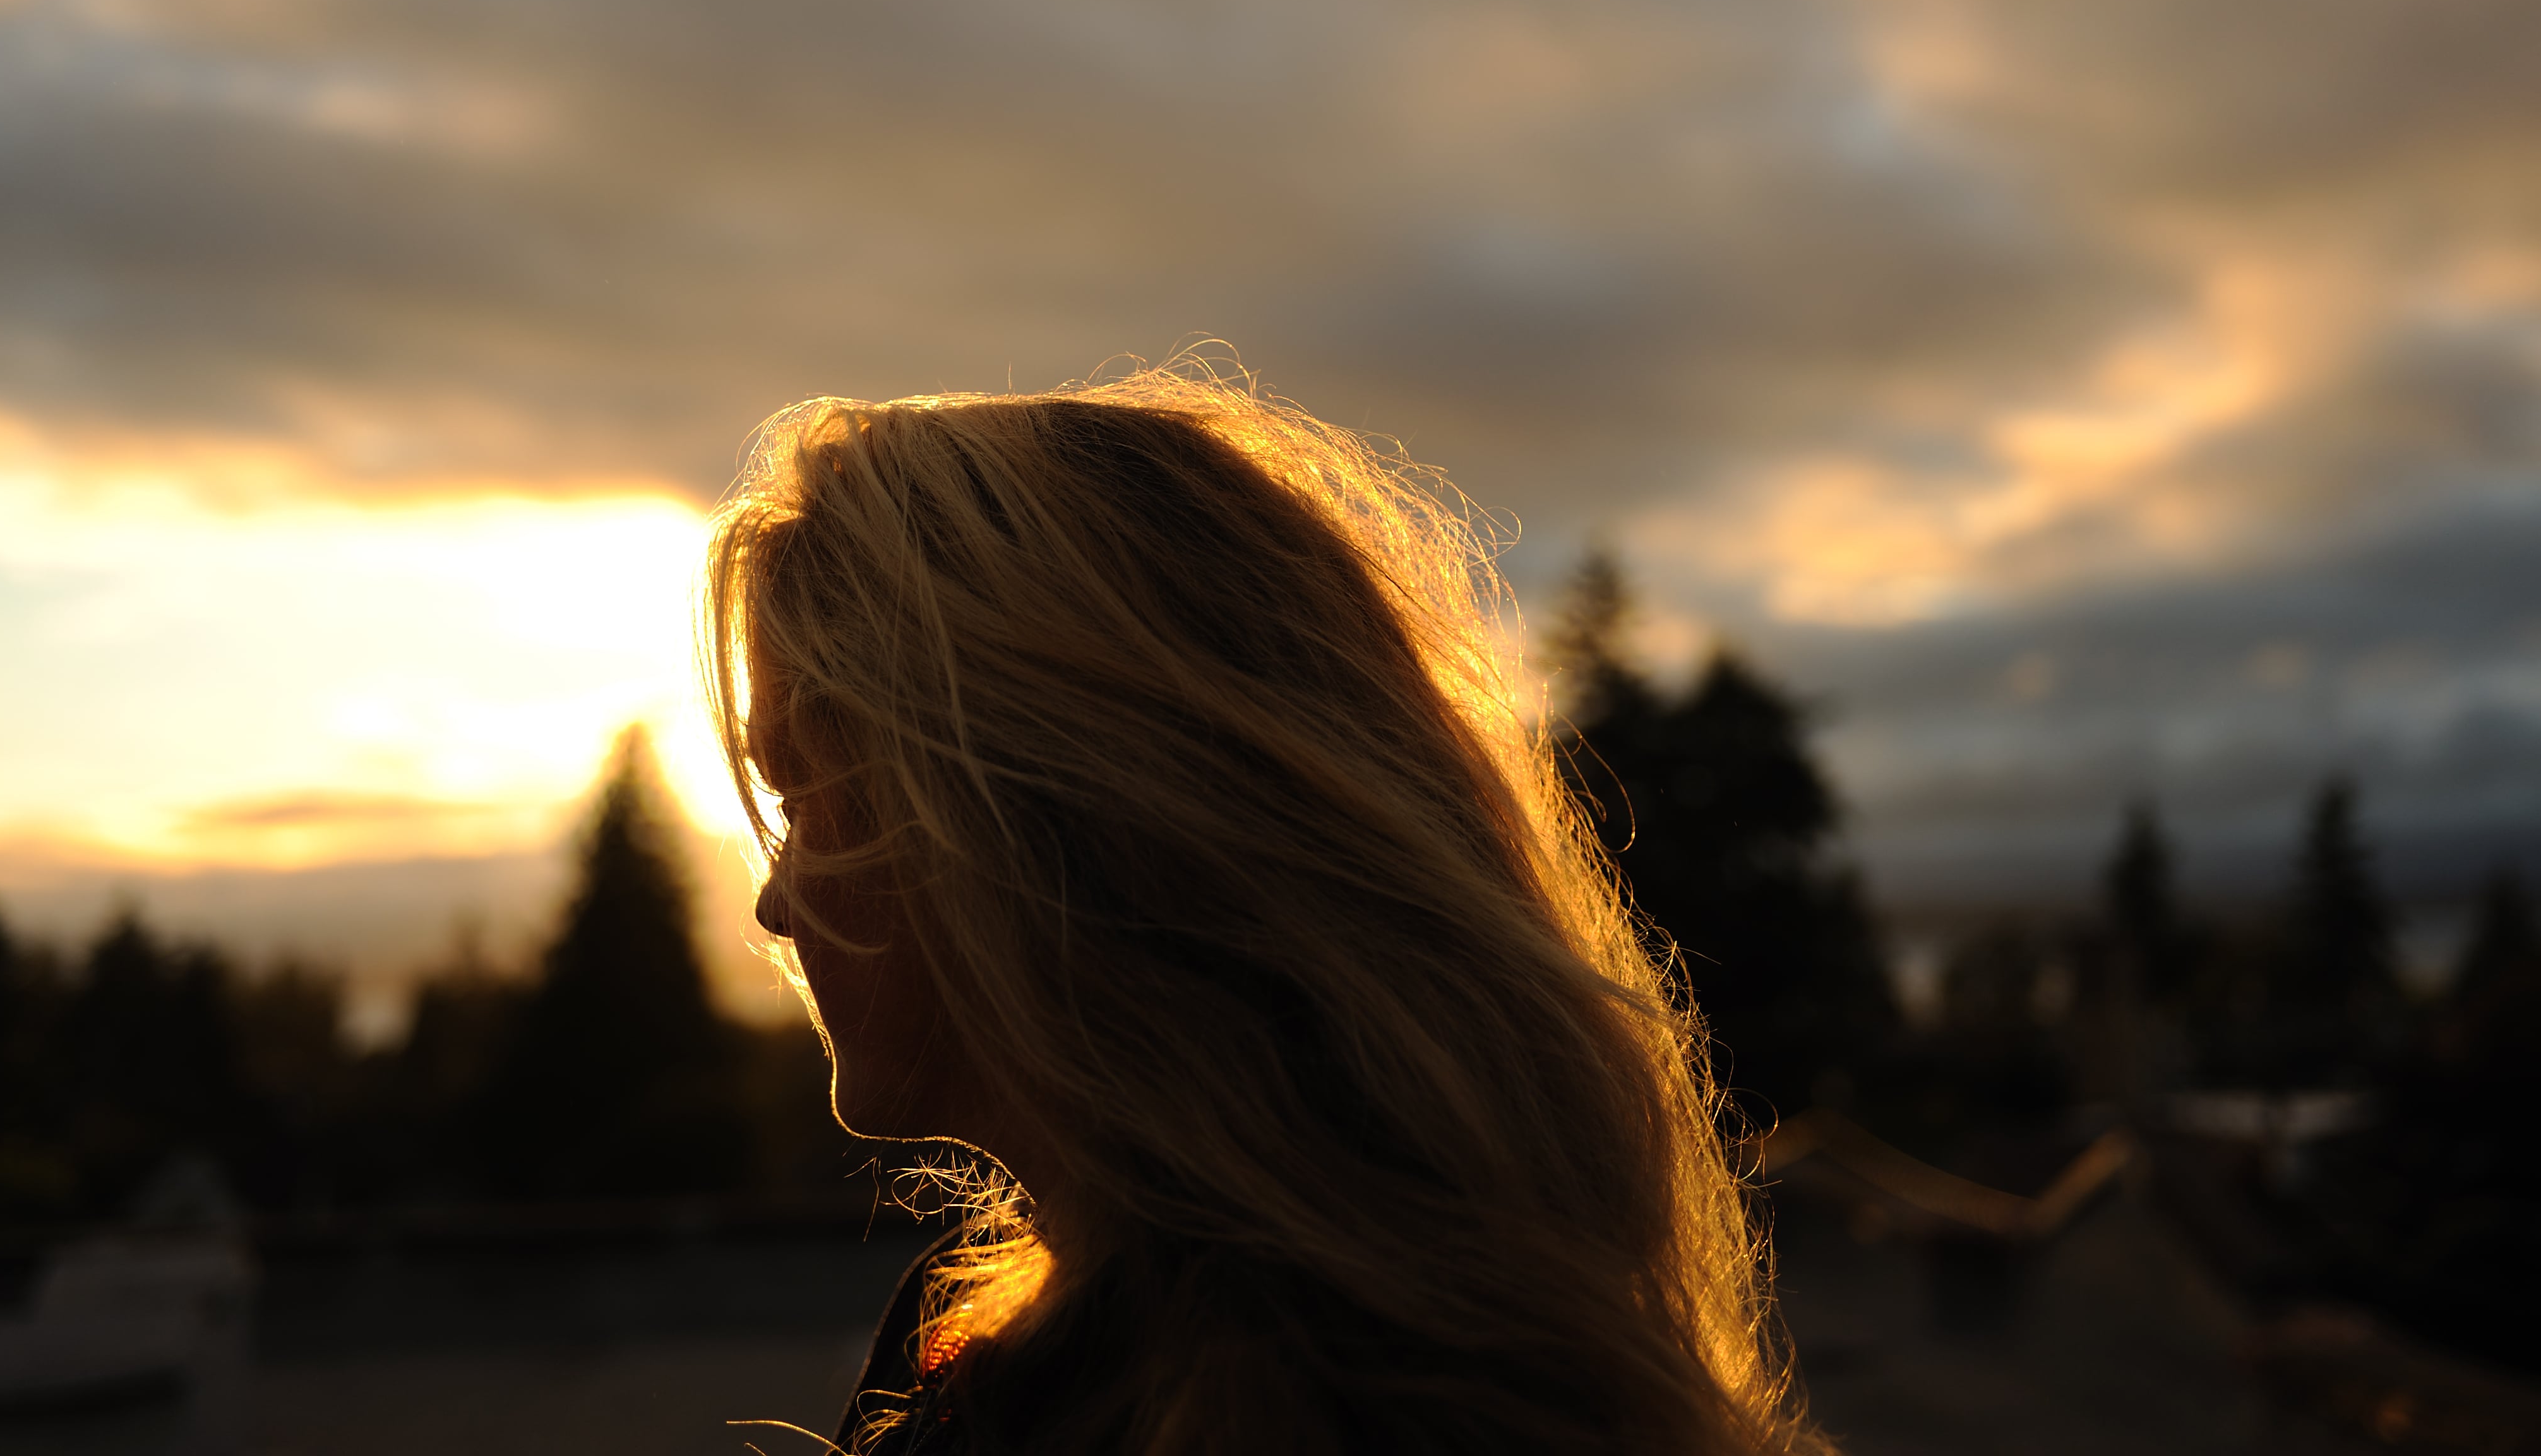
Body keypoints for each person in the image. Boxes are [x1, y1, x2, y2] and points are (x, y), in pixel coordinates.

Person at [704, 363, 1817, 1455]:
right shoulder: (999, 1343)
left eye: (808, 799)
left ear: (1042, 822)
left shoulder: (1344, 1406)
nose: (772, 904)